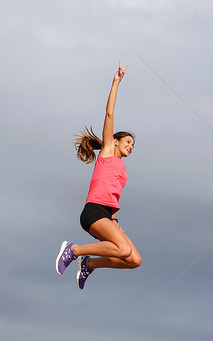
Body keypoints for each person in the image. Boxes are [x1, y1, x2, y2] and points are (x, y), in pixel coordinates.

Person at [56, 61, 141, 290]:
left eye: (133, 145)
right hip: (93, 211)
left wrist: (114, 221)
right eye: (128, 142)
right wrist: (116, 82)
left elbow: (112, 196)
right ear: (114, 141)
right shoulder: (107, 154)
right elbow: (109, 112)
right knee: (123, 250)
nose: (131, 146)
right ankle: (74, 250)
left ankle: (89, 264)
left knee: (134, 260)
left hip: (106, 214)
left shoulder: (122, 169)